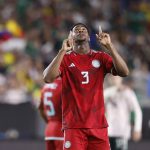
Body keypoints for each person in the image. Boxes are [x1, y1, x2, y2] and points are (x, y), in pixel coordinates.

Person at [43, 23, 129, 150]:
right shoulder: (65, 59)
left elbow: (124, 72)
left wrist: (110, 47)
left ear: (89, 37)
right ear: (71, 37)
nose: (80, 31)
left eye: (83, 30)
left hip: (98, 126)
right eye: (76, 30)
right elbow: (47, 78)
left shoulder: (100, 57)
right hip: (74, 127)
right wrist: (62, 51)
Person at [104, 76, 142, 150]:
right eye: (112, 77)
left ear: (121, 78)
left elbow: (137, 110)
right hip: (107, 132)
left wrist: (137, 128)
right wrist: (115, 89)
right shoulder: (106, 92)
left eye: (116, 77)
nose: (114, 79)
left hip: (121, 132)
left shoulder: (128, 92)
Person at [39, 78, 63, 150]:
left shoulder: (45, 86)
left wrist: (49, 122)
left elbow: (41, 109)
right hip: (61, 128)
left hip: (49, 129)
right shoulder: (63, 85)